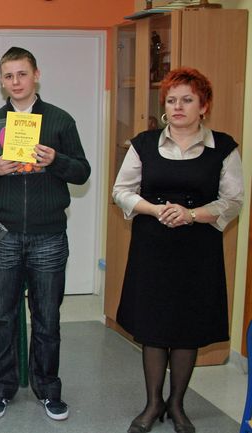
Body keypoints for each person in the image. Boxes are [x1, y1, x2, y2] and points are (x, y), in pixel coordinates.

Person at [113, 68, 243, 433]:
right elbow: (121, 191)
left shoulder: (224, 147)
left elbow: (233, 200)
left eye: (187, 100)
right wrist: (156, 210)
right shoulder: (143, 143)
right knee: (153, 326)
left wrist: (191, 214)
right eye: (171, 100)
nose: (178, 107)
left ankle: (177, 404)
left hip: (198, 250)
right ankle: (153, 403)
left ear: (204, 106)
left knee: (188, 326)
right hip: (152, 247)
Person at [0, 46, 90, 421]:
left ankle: (48, 389)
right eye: (8, 76)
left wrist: (56, 160)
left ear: (36, 75)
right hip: (4, 235)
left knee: (47, 318)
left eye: (22, 74)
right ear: (1, 80)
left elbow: (83, 172)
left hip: (49, 236)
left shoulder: (59, 120)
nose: (16, 82)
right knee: (2, 317)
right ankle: (1, 389)